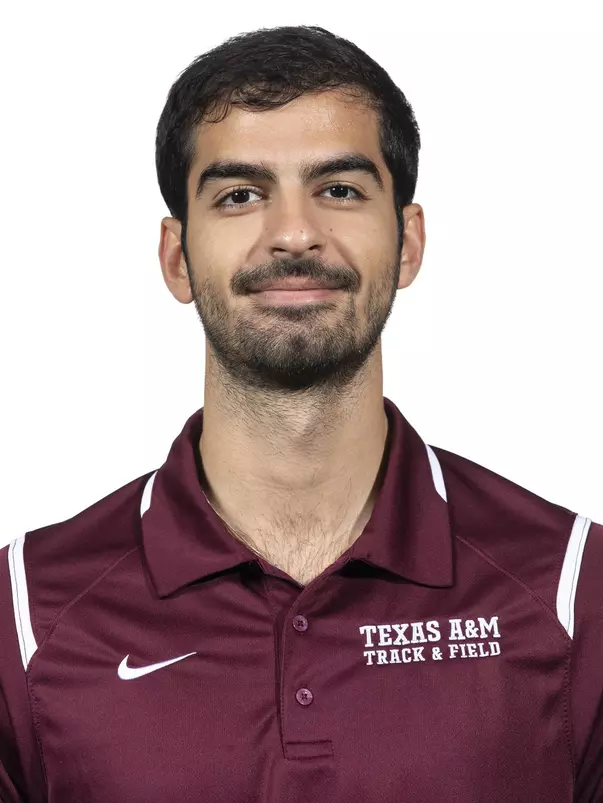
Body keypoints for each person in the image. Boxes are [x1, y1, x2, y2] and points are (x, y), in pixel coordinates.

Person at [0, 24, 601, 803]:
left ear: (408, 243)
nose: (293, 234)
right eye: (240, 194)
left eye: (339, 190)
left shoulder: (571, 589)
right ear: (177, 257)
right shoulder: (25, 615)